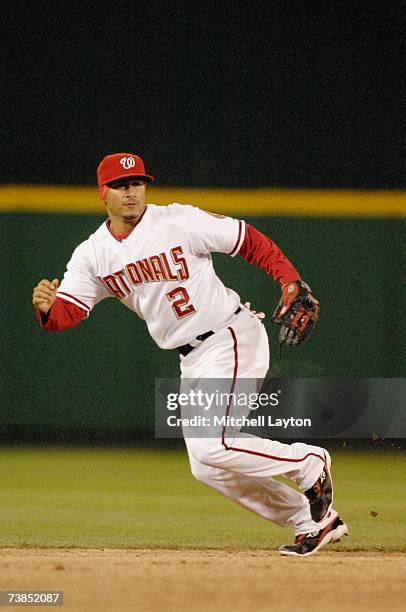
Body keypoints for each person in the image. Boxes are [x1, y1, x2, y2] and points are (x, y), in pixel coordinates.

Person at [32, 152, 348, 556]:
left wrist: (289, 279)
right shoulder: (93, 254)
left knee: (210, 445)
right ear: (103, 193)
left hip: (230, 337)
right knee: (206, 466)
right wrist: (47, 310)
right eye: (121, 185)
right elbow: (69, 312)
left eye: (138, 183)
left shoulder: (178, 220)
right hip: (192, 357)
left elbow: (246, 240)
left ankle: (309, 463)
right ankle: (312, 521)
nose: (131, 192)